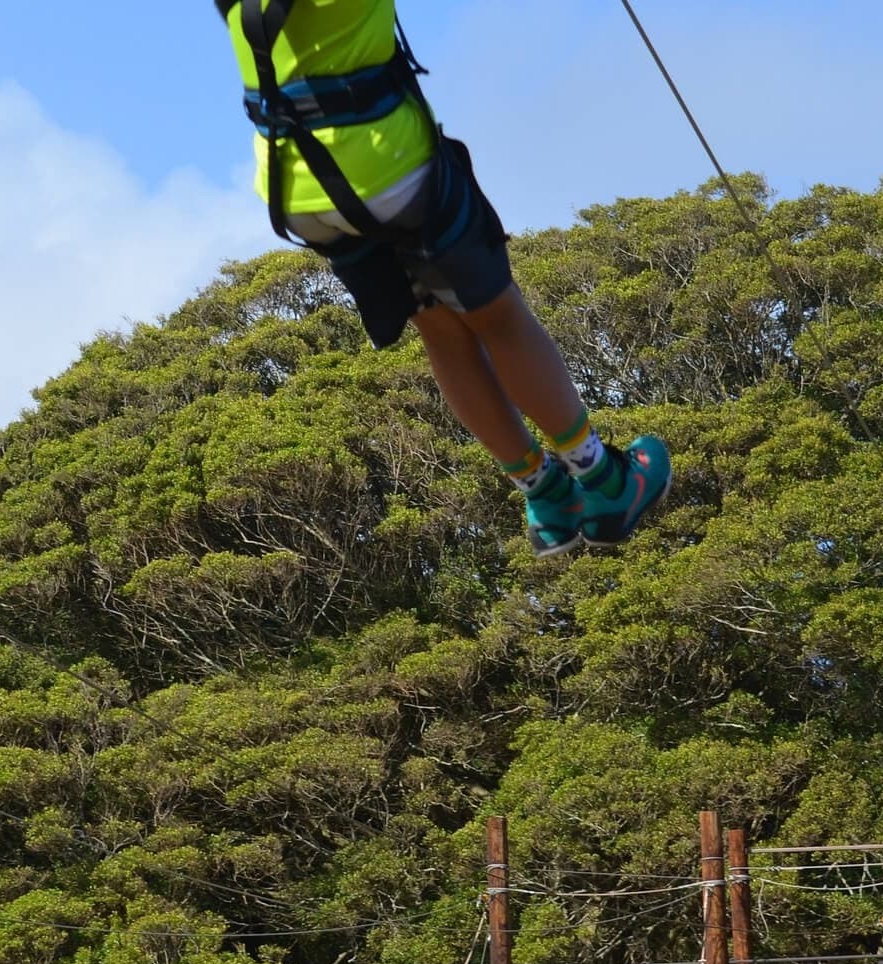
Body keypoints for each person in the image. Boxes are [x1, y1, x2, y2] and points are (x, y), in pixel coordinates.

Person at [216, 0, 670, 554]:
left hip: (294, 188)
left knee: (435, 322)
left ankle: (544, 491)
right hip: (384, 169)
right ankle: (603, 480)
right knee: (496, 316)